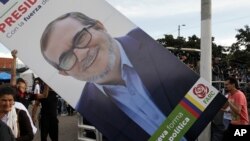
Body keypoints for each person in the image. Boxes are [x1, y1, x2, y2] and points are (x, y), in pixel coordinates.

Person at [40, 12, 226, 141]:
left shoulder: (149, 44)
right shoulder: (87, 107)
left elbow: (211, 111)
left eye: (80, 38)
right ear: (64, 72)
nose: (80, 54)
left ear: (100, 26)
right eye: (65, 59)